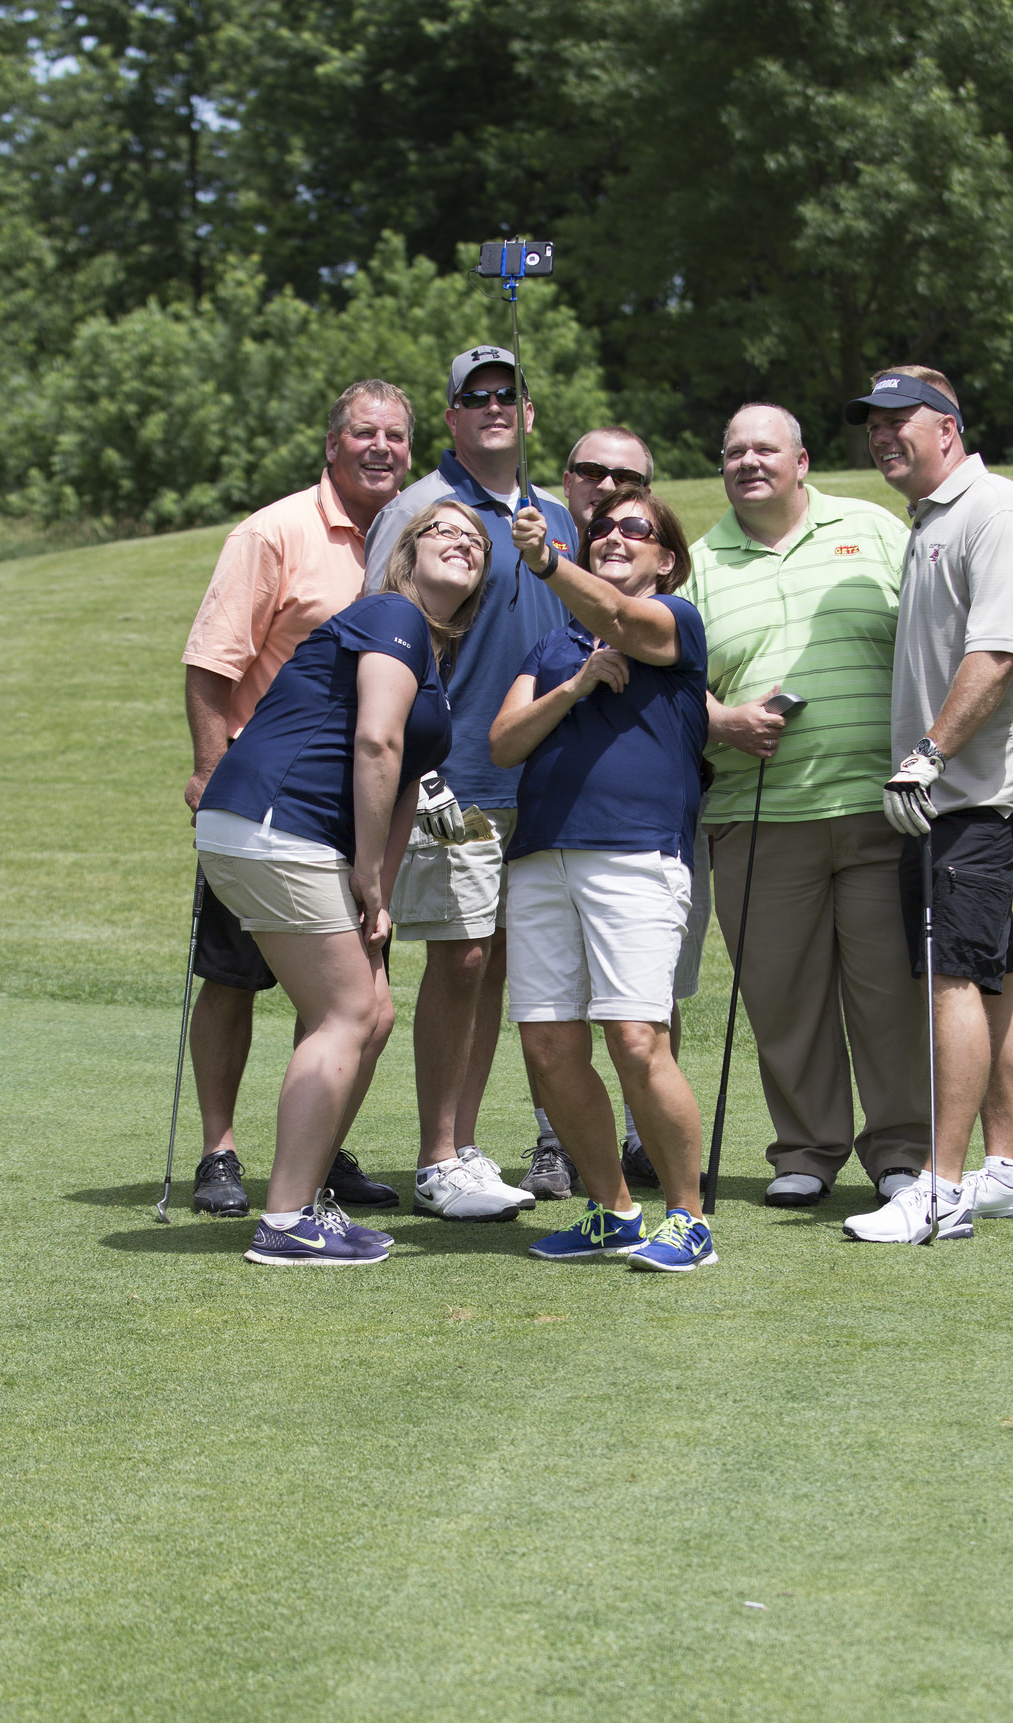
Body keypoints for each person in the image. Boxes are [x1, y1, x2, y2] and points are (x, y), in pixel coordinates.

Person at [193, 503, 490, 1265]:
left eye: (477, 540)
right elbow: (374, 741)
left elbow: (404, 786)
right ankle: (288, 1219)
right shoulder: (390, 612)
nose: (464, 541)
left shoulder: (429, 656)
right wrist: (362, 868)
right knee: (347, 1011)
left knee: (374, 1010)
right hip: (277, 822)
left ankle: (306, 1193)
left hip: (283, 836)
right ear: (403, 553)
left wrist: (378, 894)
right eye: (442, 530)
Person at [838, 366, 1013, 1244]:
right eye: (873, 424)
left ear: (948, 426)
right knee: (988, 974)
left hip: (968, 796)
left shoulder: (995, 513)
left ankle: (939, 1188)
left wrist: (928, 755)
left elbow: (1000, 652)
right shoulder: (936, 518)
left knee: (951, 980)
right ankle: (1004, 1169)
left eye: (901, 420)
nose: (883, 435)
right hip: (955, 794)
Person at [687, 403, 929, 1209]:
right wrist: (720, 719)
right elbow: (670, 685)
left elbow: (939, 635)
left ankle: (899, 1151)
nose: (748, 462)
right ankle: (806, 1149)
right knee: (780, 994)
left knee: (887, 993)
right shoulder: (698, 563)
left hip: (880, 810)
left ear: (801, 460)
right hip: (757, 819)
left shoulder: (872, 529)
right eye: (733, 452)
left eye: (765, 449)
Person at [182, 379, 413, 1217]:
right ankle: (219, 1151)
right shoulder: (275, 532)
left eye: (394, 434)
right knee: (236, 978)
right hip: (266, 801)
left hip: (357, 807)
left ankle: (316, 1152)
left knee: (344, 992)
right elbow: (211, 662)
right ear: (332, 445)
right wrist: (211, 770)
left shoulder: (407, 540)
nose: (380, 447)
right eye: (363, 433)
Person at [363, 347, 579, 1222]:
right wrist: (421, 767)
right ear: (450, 418)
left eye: (508, 394)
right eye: (474, 396)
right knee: (460, 960)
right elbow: (384, 630)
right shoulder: (421, 510)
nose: (493, 406)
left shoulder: (555, 515)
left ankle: (461, 1145)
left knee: (494, 968)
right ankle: (436, 1155)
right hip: (451, 779)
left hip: (539, 781)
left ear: (527, 415)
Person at [493, 487, 717, 1274]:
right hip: (540, 857)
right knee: (549, 1046)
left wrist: (547, 560)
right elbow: (502, 744)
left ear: (666, 557)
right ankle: (612, 1210)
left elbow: (626, 623)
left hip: (635, 857)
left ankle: (687, 1218)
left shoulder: (676, 623)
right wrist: (576, 684)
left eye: (636, 529)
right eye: (601, 529)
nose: (614, 535)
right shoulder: (553, 647)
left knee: (634, 1037)